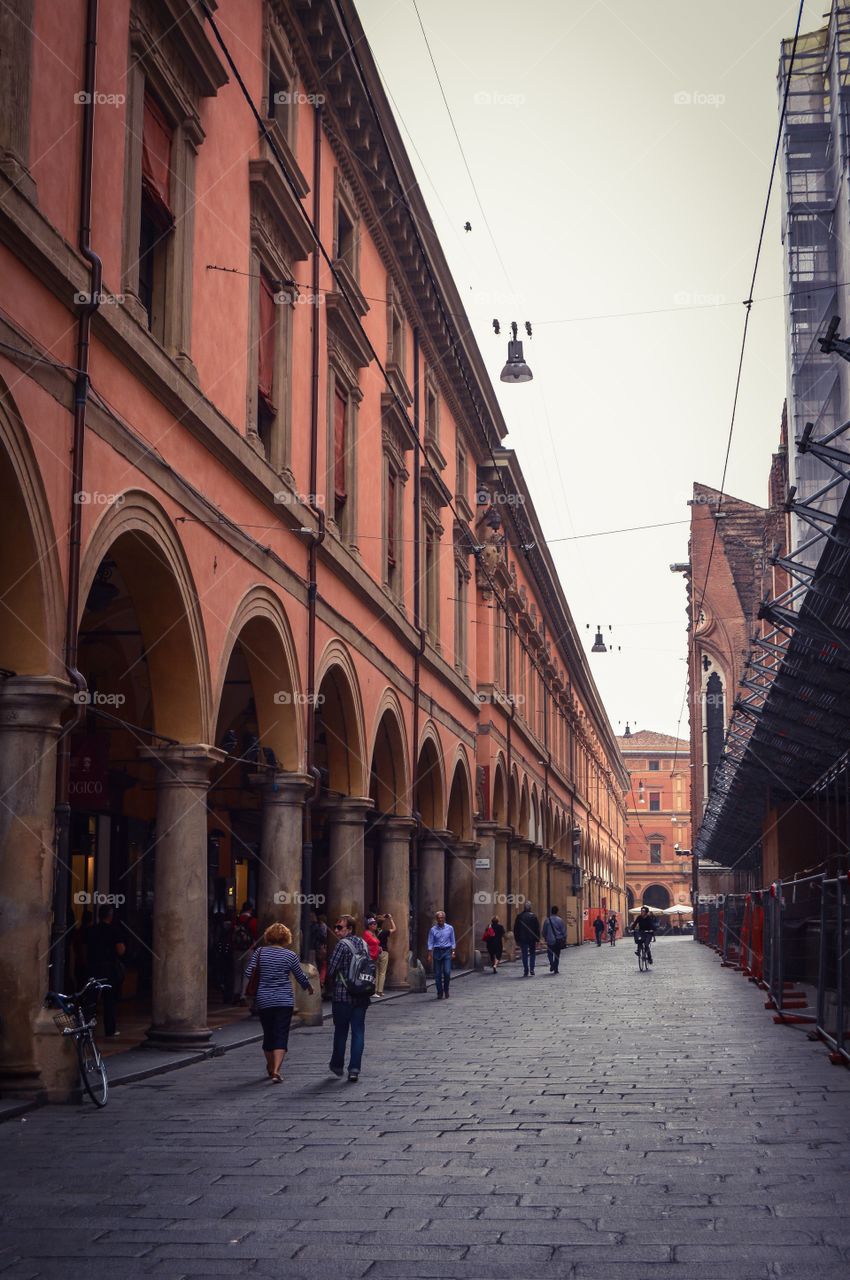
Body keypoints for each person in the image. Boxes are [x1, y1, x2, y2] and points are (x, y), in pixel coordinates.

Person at [244, 922, 312, 1082]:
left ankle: (270, 1066)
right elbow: (299, 976)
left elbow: (248, 972)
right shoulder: (290, 956)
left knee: (268, 1033)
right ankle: (276, 1070)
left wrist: (264, 978)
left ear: (268, 936)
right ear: (286, 937)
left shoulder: (260, 952)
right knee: (281, 1033)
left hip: (264, 999)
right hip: (284, 1000)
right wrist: (308, 986)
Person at [326, 915, 371, 1081]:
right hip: (361, 994)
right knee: (358, 1032)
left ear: (350, 929)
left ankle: (337, 1065)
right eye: (336, 927)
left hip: (343, 995)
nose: (337, 930)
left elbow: (331, 970)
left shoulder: (341, 945)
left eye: (340, 927)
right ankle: (354, 1069)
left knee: (341, 1031)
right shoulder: (364, 944)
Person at [86, 904, 126, 1038]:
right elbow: (120, 950)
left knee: (91, 998)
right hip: (108, 968)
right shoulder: (114, 930)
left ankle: (87, 1027)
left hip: (93, 966)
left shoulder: (91, 930)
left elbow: (84, 948)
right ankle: (110, 1029)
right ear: (110, 915)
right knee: (110, 1000)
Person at [427, 910, 456, 999]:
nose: (440, 920)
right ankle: (439, 992)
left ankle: (446, 989)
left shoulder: (450, 928)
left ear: (444, 918)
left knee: (447, 972)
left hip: (447, 951)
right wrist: (429, 954)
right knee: (437, 974)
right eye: (439, 918)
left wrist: (453, 952)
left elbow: (452, 940)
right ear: (436, 919)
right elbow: (430, 942)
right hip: (437, 951)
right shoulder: (433, 930)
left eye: (442, 918)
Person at [233, 901, 258, 1004]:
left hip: (236, 949)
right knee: (246, 973)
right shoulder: (253, 921)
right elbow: (256, 934)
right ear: (251, 909)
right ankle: (243, 995)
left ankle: (236, 993)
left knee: (237, 973)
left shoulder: (236, 920)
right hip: (248, 949)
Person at [513, 902, 541, 977]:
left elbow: (516, 929)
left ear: (524, 908)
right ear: (530, 908)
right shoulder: (533, 916)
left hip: (522, 939)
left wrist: (517, 939)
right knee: (532, 954)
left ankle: (526, 969)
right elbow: (537, 929)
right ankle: (532, 969)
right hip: (532, 938)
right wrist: (538, 939)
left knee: (524, 954)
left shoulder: (519, 916)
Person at [375, 912, 395, 997]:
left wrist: (380, 916)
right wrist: (390, 919)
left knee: (376, 972)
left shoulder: (373, 932)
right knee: (382, 972)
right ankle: (380, 991)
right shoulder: (385, 932)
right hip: (384, 952)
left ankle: (375, 990)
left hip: (375, 952)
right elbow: (394, 928)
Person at [542, 906, 567, 973]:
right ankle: (556, 968)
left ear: (551, 911)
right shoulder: (560, 920)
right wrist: (564, 938)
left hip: (550, 940)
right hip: (558, 940)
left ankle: (552, 964)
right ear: (557, 912)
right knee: (557, 954)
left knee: (550, 953)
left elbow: (544, 931)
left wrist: (545, 937)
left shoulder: (547, 920)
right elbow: (563, 931)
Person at [309, 909, 329, 986]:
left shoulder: (307, 925)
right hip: (315, 948)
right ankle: (319, 982)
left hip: (310, 947)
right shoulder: (317, 926)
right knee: (318, 966)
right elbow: (322, 937)